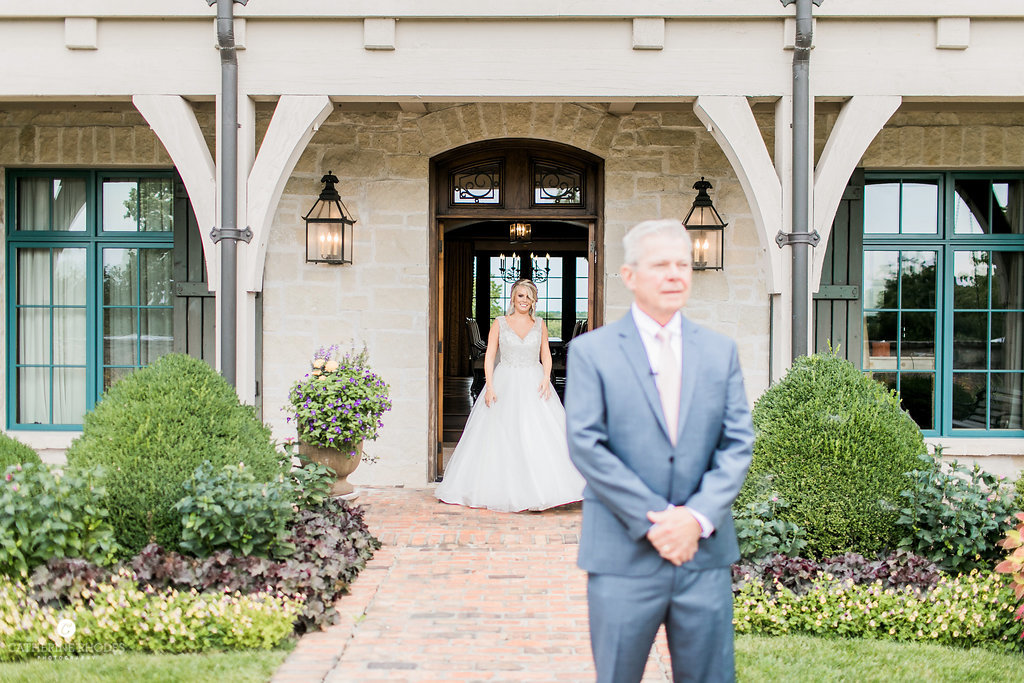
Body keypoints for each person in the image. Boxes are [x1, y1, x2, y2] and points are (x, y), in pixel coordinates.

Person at [565, 219, 754, 683]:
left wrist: (694, 519)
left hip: (703, 556)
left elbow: (737, 443)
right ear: (629, 276)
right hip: (622, 556)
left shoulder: (720, 351)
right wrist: (659, 520)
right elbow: (586, 444)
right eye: (661, 265)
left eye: (683, 264)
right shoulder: (592, 352)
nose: (675, 274)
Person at [436, 279, 585, 512]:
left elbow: (546, 355)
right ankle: (502, 489)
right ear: (513, 299)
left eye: (528, 296)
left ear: (533, 300)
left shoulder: (540, 324)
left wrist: (546, 377)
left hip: (534, 381)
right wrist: (490, 385)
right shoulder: (500, 323)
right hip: (505, 381)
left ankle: (541, 490)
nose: (524, 300)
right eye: (520, 296)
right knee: (501, 435)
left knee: (537, 434)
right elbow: (489, 356)